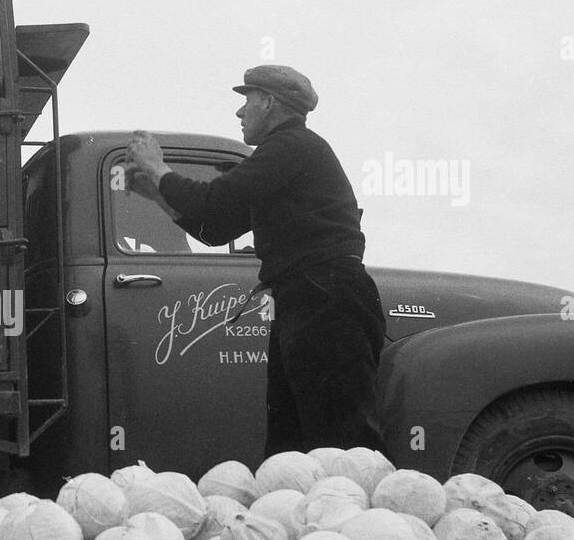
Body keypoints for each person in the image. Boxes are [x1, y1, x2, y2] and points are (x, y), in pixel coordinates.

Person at [125, 65, 388, 457]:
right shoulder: (281, 157)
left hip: (326, 296)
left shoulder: (292, 147)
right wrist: (158, 195)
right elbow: (214, 229)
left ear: (268, 103)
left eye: (246, 101)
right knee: (293, 442)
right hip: (311, 297)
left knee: (339, 438)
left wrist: (158, 168)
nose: (239, 112)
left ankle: (358, 512)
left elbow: (213, 200)